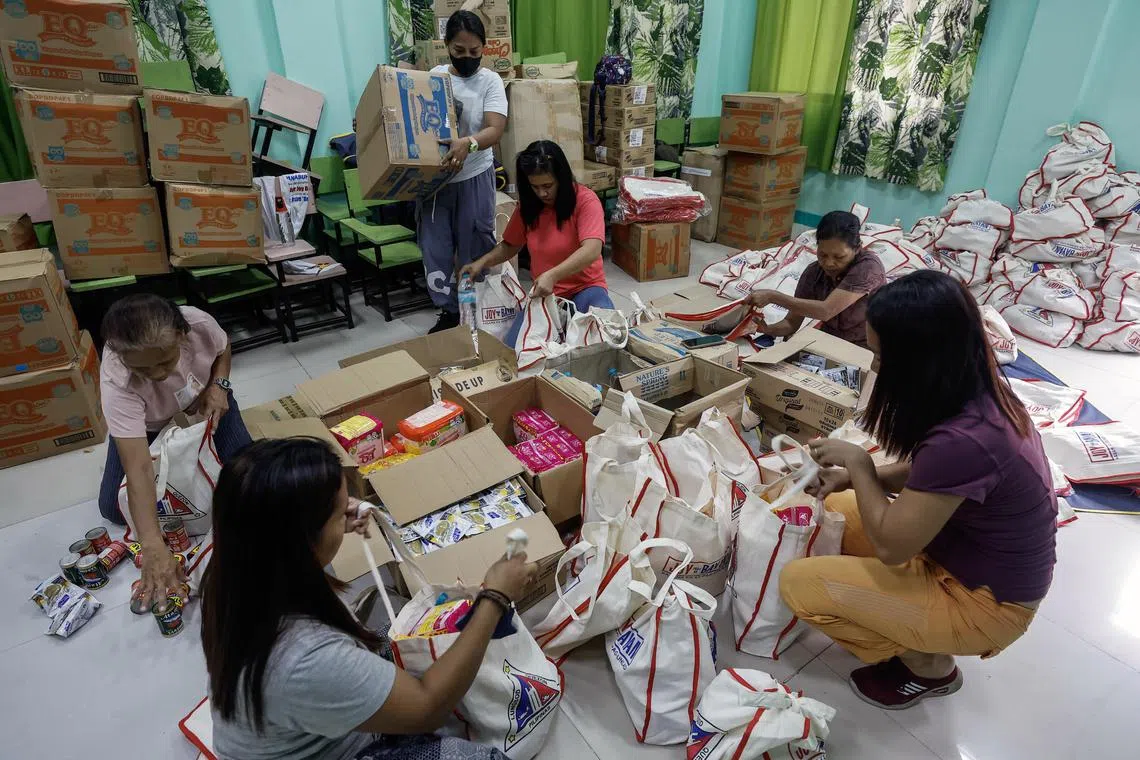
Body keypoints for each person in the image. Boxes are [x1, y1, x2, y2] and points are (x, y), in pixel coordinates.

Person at [778, 270, 1057, 710]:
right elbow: (929, 475)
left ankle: (928, 666)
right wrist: (855, 478)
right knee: (835, 500)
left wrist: (858, 462)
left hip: (985, 603)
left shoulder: (968, 438)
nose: (873, 366)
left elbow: (891, 546)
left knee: (798, 585)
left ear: (920, 360)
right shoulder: (974, 392)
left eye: (880, 356)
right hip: (957, 557)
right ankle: (910, 625)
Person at [202, 438, 536, 760]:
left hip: (301, 720)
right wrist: (496, 597)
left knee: (427, 638)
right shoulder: (305, 658)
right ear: (301, 537)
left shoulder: (237, 568)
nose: (348, 512)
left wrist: (335, 516)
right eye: (336, 513)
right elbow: (427, 708)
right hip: (336, 746)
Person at [98, 295, 251, 606]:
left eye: (165, 362)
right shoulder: (116, 379)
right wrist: (152, 544)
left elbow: (223, 350)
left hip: (204, 400)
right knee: (113, 508)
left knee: (249, 480)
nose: (156, 374)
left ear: (182, 336)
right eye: (142, 368)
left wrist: (219, 387)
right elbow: (139, 468)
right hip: (149, 424)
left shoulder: (198, 323)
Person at [460, 140, 612, 347]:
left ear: (562, 178)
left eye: (548, 186)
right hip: (545, 295)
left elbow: (592, 249)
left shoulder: (585, 201)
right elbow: (510, 245)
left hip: (586, 289)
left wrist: (553, 275)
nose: (542, 193)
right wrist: (481, 263)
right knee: (514, 350)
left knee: (605, 337)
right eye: (535, 187)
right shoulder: (529, 207)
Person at [421, 10, 508, 334]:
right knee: (436, 247)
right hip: (436, 183)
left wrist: (468, 143)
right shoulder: (435, 76)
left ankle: (476, 311)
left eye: (475, 52)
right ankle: (448, 314)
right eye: (459, 51)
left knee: (476, 243)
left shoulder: (490, 81)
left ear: (483, 48)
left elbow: (495, 128)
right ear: (446, 46)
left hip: (474, 175)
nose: (468, 58)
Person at [747, 210, 885, 349]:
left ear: (857, 248)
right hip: (828, 342)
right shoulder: (813, 273)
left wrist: (773, 296)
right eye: (823, 255)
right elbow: (791, 323)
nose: (829, 263)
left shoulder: (868, 267)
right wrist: (767, 329)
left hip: (867, 347)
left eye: (839, 257)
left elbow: (826, 311)